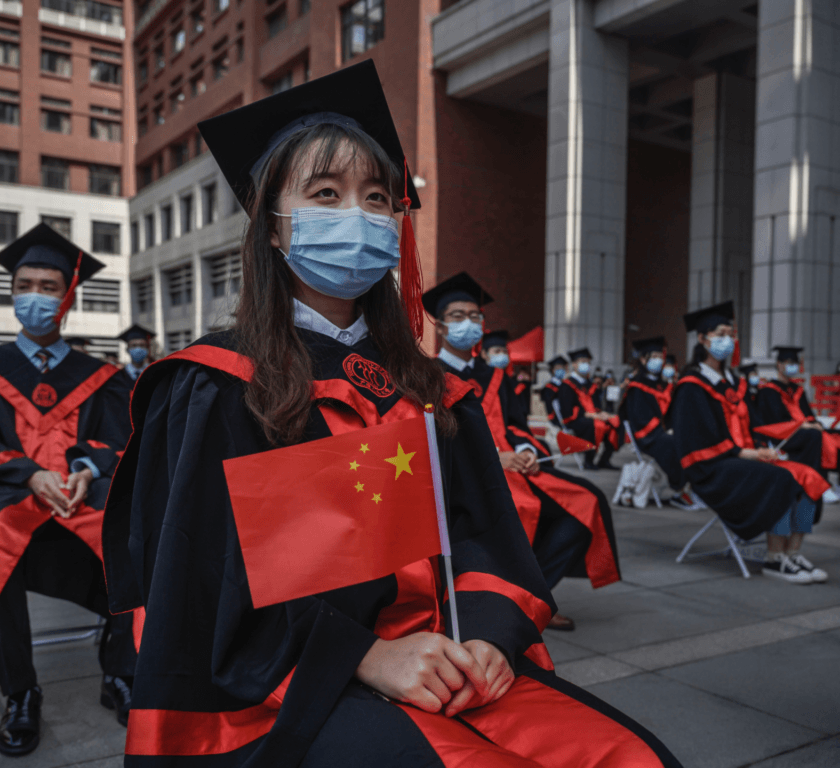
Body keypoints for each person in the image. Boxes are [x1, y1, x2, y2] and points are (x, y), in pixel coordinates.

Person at [102, 62, 680, 767]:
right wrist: (366, 655)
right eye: (325, 193)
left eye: (377, 197)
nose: (360, 215)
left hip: (450, 649)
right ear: (275, 229)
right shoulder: (217, 384)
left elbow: (484, 533)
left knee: (635, 758)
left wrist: (492, 638)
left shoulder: (427, 385)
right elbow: (204, 576)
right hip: (292, 680)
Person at [0, 224, 137, 756]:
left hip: (79, 486)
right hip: (7, 487)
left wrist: (88, 469)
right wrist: (28, 472)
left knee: (138, 522)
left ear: (68, 296)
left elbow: (122, 441)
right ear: (12, 291)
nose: (35, 295)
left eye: (49, 286)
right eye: (26, 283)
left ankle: (121, 671)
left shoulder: (102, 375)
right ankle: (21, 691)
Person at [427, 283, 620, 632]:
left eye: (474, 316)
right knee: (517, 511)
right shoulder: (425, 375)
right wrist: (493, 459)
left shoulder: (496, 377)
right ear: (439, 326)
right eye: (458, 316)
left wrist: (526, 451)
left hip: (515, 467)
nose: (467, 323)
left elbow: (516, 425)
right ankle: (500, 602)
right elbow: (432, 438)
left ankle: (533, 598)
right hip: (463, 476)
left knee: (587, 504)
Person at [672, 301, 828, 584]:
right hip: (712, 467)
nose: (727, 340)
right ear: (703, 339)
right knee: (779, 477)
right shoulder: (691, 385)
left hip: (743, 456)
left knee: (810, 477)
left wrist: (776, 441)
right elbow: (696, 440)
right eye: (720, 334)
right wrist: (749, 454)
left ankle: (792, 553)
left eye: (730, 334)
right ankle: (773, 558)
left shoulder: (735, 382)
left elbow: (756, 424)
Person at [620, 337, 689, 501]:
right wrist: (665, 430)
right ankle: (679, 487)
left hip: (661, 432)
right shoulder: (637, 386)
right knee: (672, 443)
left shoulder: (661, 384)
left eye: (660, 357)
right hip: (648, 437)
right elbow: (640, 418)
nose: (659, 361)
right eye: (654, 357)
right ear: (643, 359)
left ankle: (692, 484)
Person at [755, 347, 833, 483]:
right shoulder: (768, 391)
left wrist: (815, 424)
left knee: (832, 434)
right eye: (789, 362)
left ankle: (826, 482)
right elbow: (775, 419)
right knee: (814, 436)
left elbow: (808, 414)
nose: (793, 366)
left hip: (802, 431)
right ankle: (815, 481)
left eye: (795, 363)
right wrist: (805, 426)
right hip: (782, 435)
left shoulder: (797, 390)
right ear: (779, 364)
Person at [557, 348, 623, 469]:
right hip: (575, 420)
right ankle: (589, 460)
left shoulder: (590, 384)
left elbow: (597, 406)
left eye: (587, 362)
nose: (585, 365)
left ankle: (605, 459)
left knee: (616, 422)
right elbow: (567, 410)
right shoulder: (567, 385)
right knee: (593, 424)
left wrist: (603, 413)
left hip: (593, 417)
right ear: (574, 364)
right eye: (582, 361)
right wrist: (591, 415)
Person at [541, 355, 567, 426]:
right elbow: (548, 405)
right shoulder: (549, 387)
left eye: (562, 368)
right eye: (557, 368)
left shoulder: (566, 384)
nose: (560, 370)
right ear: (552, 370)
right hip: (556, 419)